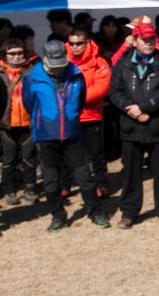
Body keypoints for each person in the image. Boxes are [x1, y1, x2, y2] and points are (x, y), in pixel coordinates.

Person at [23, 41, 107, 230]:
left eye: (61, 64)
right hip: (45, 136)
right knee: (51, 181)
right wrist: (46, 121)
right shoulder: (31, 79)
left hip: (72, 133)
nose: (59, 69)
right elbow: (29, 104)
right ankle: (58, 216)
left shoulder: (76, 75)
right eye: (55, 66)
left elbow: (80, 99)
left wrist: (70, 118)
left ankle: (96, 212)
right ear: (45, 59)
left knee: (84, 176)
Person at [107, 22, 159, 228]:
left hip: (158, 126)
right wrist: (130, 108)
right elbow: (115, 91)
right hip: (130, 127)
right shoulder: (122, 64)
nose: (149, 44)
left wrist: (145, 108)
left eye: (152, 40)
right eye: (145, 40)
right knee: (130, 172)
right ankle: (129, 212)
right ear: (135, 41)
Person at [64, 28, 112, 200]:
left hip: (91, 115)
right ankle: (66, 184)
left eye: (79, 43)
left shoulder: (99, 62)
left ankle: (101, 184)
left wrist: (74, 97)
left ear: (87, 43)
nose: (75, 47)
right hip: (69, 116)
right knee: (66, 152)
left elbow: (102, 87)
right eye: (72, 43)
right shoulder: (62, 62)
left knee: (96, 153)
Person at [1, 39, 37, 205]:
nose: (16, 57)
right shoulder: (0, 74)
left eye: (19, 53)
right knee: (9, 159)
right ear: (5, 55)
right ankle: (10, 191)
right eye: (12, 54)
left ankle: (30, 189)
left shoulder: (32, 72)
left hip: (28, 122)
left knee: (29, 157)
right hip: (5, 123)